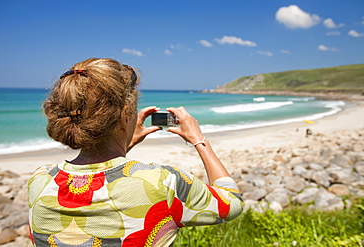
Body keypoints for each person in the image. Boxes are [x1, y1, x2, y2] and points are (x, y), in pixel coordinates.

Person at [28, 58, 243, 247]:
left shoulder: (40, 181)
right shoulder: (162, 183)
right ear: (125, 115)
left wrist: (124, 142)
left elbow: (100, 177)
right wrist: (199, 140)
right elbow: (231, 203)